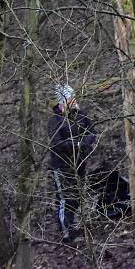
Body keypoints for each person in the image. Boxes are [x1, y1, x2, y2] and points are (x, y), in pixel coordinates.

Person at [48, 84, 96, 242]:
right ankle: (66, 232)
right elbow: (56, 143)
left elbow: (92, 133)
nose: (74, 100)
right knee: (65, 198)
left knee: (76, 197)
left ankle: (71, 226)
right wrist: (75, 145)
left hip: (80, 162)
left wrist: (84, 144)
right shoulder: (55, 120)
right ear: (63, 101)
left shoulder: (81, 116)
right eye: (70, 98)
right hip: (62, 165)